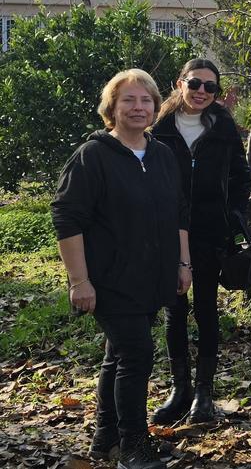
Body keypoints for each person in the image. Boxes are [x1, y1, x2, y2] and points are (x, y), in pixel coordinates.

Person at [52, 69, 191, 469]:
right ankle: (133, 445)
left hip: (154, 278)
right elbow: (67, 218)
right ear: (111, 107)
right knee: (136, 354)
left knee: (119, 355)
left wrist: (183, 263)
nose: (138, 107)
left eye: (145, 100)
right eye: (128, 100)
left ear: (155, 106)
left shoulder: (162, 154)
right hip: (109, 281)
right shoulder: (92, 156)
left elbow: (178, 213)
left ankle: (105, 439)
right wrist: (79, 280)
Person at [151, 59, 251, 424]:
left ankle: (204, 394)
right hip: (166, 232)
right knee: (174, 310)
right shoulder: (159, 127)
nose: (202, 92)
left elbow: (241, 175)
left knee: (206, 309)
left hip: (210, 233)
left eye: (211, 87)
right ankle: (180, 389)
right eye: (195, 84)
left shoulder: (222, 125)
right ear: (180, 83)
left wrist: (233, 216)